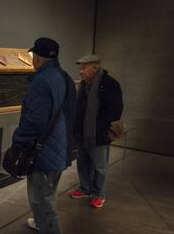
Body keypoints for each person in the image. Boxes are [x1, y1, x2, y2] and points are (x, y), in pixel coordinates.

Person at [11, 37, 76, 233]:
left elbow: (34, 122)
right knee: (48, 194)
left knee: (42, 201)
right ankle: (40, 224)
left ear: (37, 58)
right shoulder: (65, 77)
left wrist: (18, 141)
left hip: (43, 151)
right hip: (61, 147)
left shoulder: (40, 82)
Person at [69, 54, 123, 208]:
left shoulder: (109, 84)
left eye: (84, 68)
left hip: (98, 133)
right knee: (83, 162)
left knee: (100, 166)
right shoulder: (84, 84)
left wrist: (105, 129)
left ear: (95, 67)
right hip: (84, 132)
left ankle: (99, 194)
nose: (81, 71)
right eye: (80, 68)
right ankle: (85, 188)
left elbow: (115, 110)